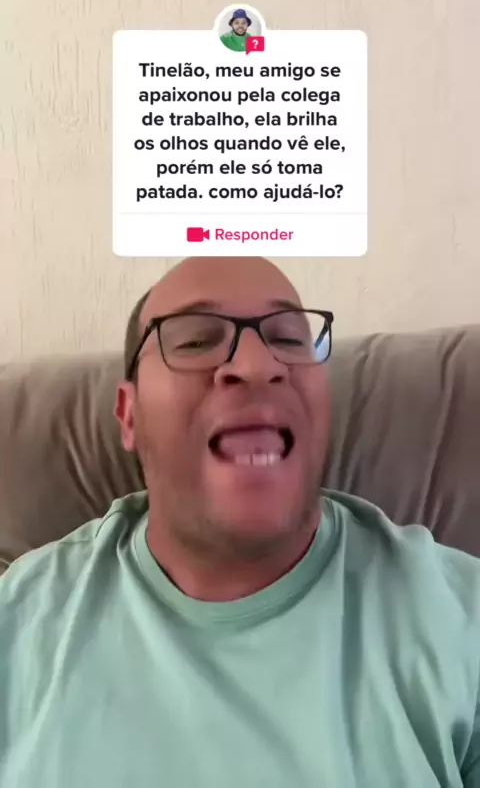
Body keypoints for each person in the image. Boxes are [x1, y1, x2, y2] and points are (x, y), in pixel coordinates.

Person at [1, 256, 480, 788]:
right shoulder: (18, 619)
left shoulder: (462, 621)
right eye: (195, 341)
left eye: (289, 339)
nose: (256, 364)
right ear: (129, 414)